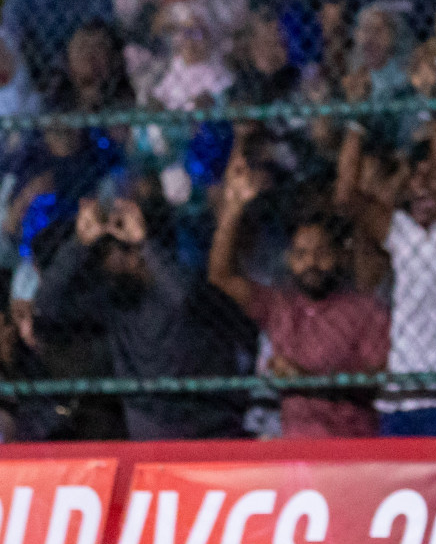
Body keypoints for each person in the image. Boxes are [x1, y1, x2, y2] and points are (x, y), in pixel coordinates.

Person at [34, 178, 248, 440]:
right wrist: (78, 244)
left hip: (207, 431)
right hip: (149, 440)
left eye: (112, 252)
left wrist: (144, 242)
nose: (105, 265)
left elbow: (183, 298)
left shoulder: (181, 284)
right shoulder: (113, 300)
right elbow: (46, 306)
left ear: (137, 254)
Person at [209, 153, 389, 438]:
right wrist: (233, 207)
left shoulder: (365, 310)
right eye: (301, 254)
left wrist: (305, 380)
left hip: (352, 448)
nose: (311, 264)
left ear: (340, 257)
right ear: (289, 259)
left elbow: (376, 380)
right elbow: (221, 276)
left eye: (322, 253)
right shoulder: (279, 306)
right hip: (295, 451)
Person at [335, 93, 436, 436]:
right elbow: (346, 197)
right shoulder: (402, 231)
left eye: (431, 175)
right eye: (416, 177)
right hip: (400, 396)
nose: (422, 185)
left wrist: (434, 109)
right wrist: (356, 123)